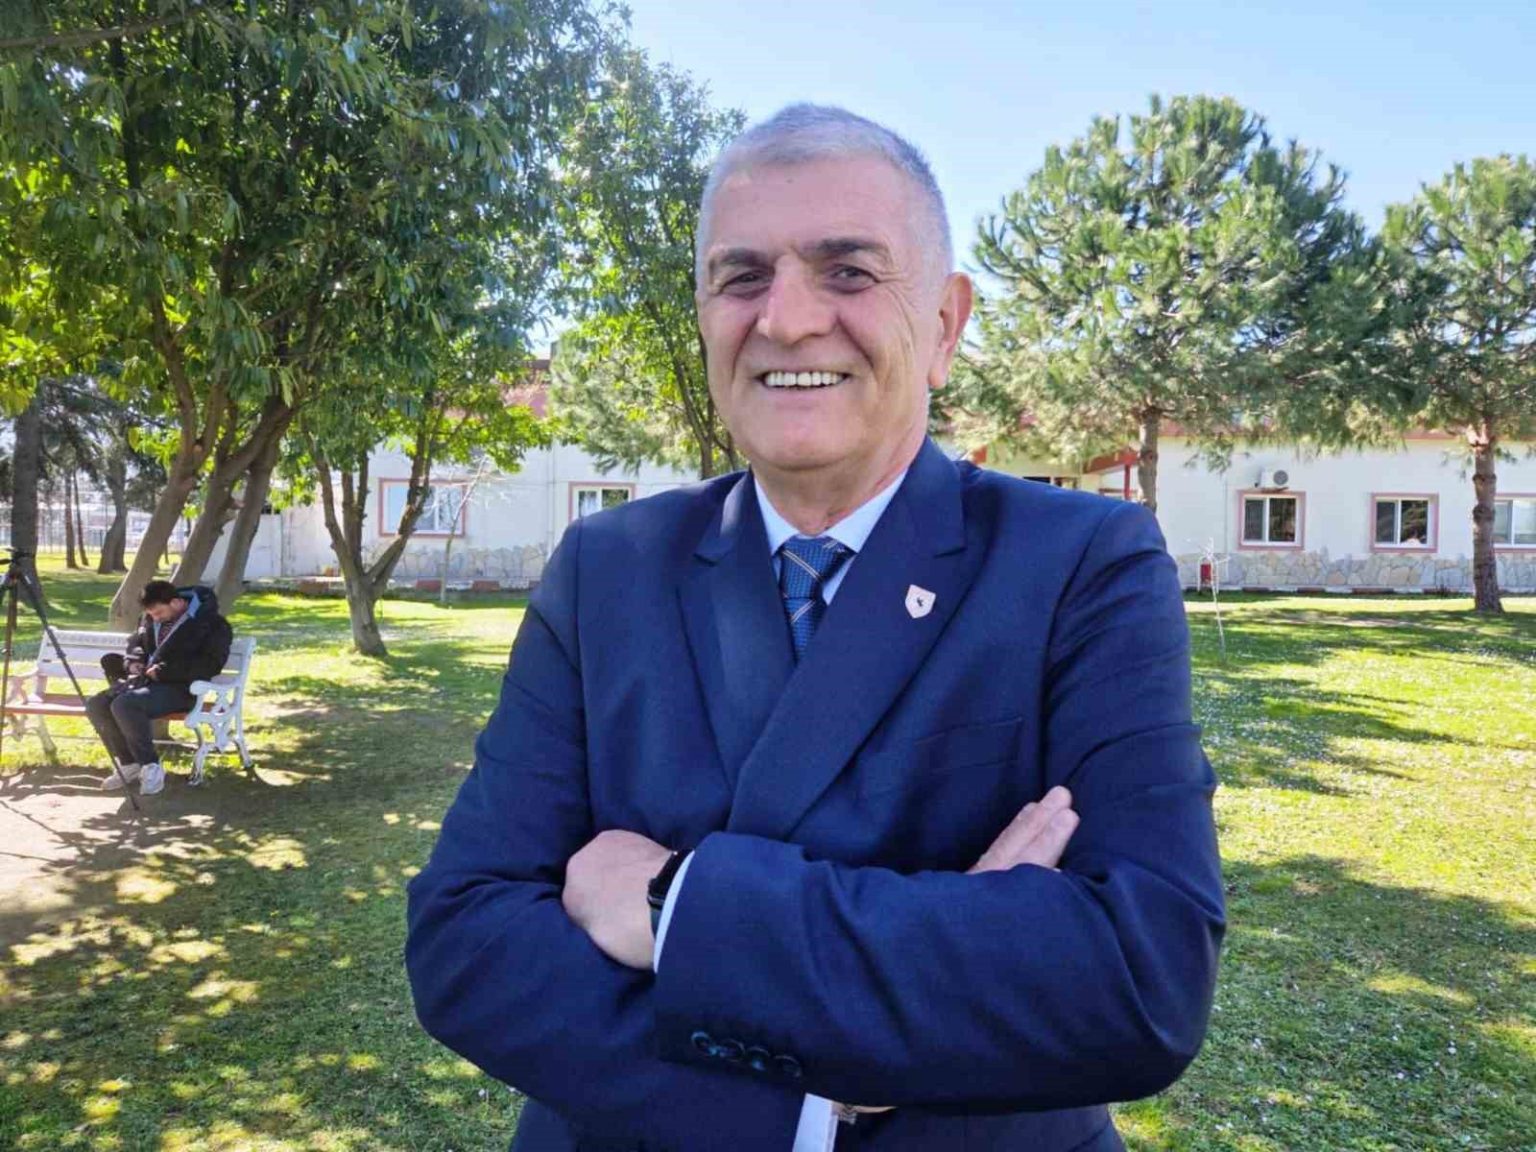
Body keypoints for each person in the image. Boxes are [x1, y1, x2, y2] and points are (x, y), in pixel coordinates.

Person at [406, 105, 1224, 1152]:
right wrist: (825, 1087)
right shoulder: (607, 567)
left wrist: (673, 904)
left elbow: (1139, 977)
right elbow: (467, 935)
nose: (787, 320)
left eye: (848, 271)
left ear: (944, 325)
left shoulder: (1081, 563)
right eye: (742, 277)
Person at [88, 580, 232, 795]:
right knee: (96, 704)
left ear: (176, 602)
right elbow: (136, 643)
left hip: (183, 689)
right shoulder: (150, 618)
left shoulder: (212, 624)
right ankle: (128, 764)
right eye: (151, 614)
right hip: (144, 684)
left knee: (126, 704)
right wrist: (133, 661)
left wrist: (164, 671)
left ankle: (151, 767)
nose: (155, 618)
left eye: (159, 613)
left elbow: (210, 664)